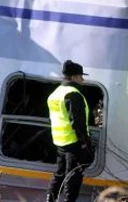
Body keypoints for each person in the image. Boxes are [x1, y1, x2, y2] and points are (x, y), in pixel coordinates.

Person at [46, 60, 94, 202]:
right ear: (73, 77)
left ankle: (50, 199)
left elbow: (52, 119)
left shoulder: (55, 93)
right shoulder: (73, 94)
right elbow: (77, 123)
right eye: (80, 76)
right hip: (74, 142)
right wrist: (85, 143)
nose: (83, 79)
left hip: (60, 141)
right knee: (73, 175)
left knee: (60, 173)